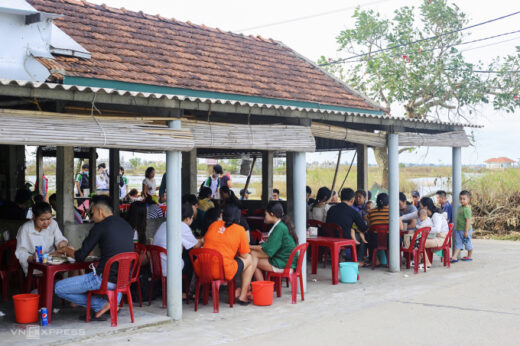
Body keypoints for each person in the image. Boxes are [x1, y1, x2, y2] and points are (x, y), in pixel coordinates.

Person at [55, 195, 134, 320]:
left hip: (103, 279)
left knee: (58, 287)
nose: (91, 218)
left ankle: (102, 305)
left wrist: (66, 250)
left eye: (91, 214)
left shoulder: (100, 226)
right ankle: (111, 303)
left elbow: (80, 256)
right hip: (123, 280)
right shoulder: (126, 225)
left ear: (100, 211)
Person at [196, 203, 253, 305]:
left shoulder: (213, 225)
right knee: (249, 259)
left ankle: (202, 295)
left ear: (222, 215)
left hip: (201, 268)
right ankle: (243, 295)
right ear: (238, 218)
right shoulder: (240, 230)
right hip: (222, 271)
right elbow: (244, 255)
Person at [248, 201, 298, 284]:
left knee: (252, 259)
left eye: (265, 214)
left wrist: (249, 246)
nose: (264, 217)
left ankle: (254, 288)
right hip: (286, 261)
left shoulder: (280, 227)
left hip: (284, 263)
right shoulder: (282, 225)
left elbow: (267, 251)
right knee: (253, 258)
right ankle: (258, 289)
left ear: (272, 214)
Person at [153, 203, 202, 285]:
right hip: (169, 268)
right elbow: (196, 245)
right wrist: (203, 239)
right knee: (191, 259)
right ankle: (184, 290)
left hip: (156, 267)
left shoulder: (164, 224)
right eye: (192, 218)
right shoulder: (182, 226)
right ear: (187, 219)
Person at [15, 202, 68, 276]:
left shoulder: (53, 224)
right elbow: (21, 252)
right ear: (33, 217)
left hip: (51, 260)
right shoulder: (25, 229)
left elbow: (59, 239)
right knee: (46, 273)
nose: (46, 222)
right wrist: (32, 258)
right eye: (42, 220)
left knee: (72, 264)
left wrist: (61, 244)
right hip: (34, 265)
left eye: (49, 218)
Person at [326, 188, 368, 262]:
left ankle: (341, 255)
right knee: (362, 237)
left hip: (329, 237)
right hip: (344, 239)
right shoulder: (352, 212)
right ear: (352, 200)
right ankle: (358, 260)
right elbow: (363, 228)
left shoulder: (331, 209)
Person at [451, 190, 473, 263]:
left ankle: (469, 256)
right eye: (460, 198)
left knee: (467, 243)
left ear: (468, 200)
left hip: (465, 230)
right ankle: (454, 257)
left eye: (464, 199)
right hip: (459, 229)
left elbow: (468, 221)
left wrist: (466, 231)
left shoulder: (467, 209)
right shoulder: (460, 207)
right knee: (458, 243)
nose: (462, 200)